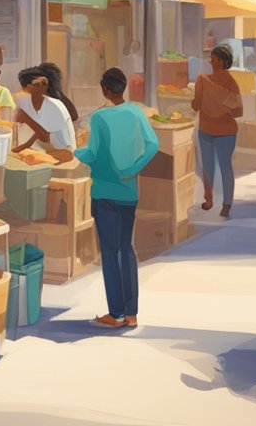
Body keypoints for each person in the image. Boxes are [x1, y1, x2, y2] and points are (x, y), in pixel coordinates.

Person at [75, 68, 158, 330]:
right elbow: (152, 144)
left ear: (105, 90)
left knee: (110, 253)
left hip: (104, 190)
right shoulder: (136, 113)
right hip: (128, 192)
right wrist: (132, 169)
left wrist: (75, 151)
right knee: (126, 248)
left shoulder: (99, 118)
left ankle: (115, 313)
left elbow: (94, 153)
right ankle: (131, 313)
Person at [191, 44, 243, 218]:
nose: (211, 61)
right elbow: (237, 110)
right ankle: (226, 205)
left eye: (213, 58)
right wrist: (222, 105)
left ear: (220, 61)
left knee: (208, 166)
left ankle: (210, 200)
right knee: (225, 166)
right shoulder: (232, 83)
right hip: (225, 130)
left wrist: (205, 103)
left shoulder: (202, 80)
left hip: (209, 129)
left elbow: (196, 105)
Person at [13, 66, 77, 163]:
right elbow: (38, 133)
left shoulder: (53, 106)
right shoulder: (35, 104)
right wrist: (24, 146)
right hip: (44, 152)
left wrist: (26, 118)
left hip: (62, 155)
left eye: (43, 84)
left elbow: (44, 136)